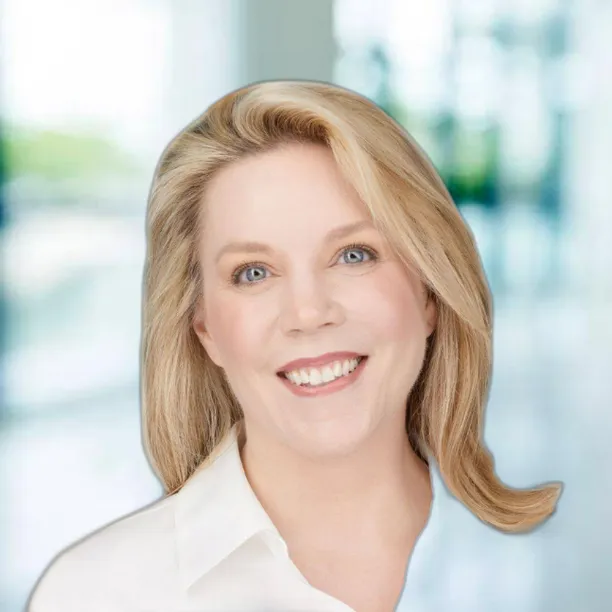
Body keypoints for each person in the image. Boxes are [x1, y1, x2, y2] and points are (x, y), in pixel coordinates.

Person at [27, 80, 563, 612]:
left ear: (429, 291)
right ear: (204, 327)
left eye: (353, 255)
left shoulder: (562, 561)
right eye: (253, 272)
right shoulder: (94, 596)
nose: (308, 313)